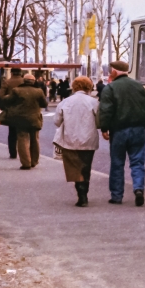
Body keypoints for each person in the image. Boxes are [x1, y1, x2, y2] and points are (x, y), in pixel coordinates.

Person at [99, 61, 145, 206]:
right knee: (137, 161)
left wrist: (104, 128)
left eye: (111, 71)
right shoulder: (139, 86)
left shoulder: (110, 88)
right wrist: (143, 126)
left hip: (119, 131)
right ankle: (138, 189)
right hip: (139, 129)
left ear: (115, 71)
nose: (109, 73)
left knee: (117, 163)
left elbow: (106, 110)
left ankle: (117, 196)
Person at [54, 76, 101, 207]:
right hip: (89, 139)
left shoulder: (65, 102)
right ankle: (85, 191)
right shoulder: (94, 102)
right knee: (86, 167)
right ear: (89, 87)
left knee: (74, 168)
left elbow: (57, 121)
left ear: (74, 87)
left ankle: (81, 194)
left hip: (70, 139)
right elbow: (99, 122)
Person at [3, 73, 48, 169]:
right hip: (35, 119)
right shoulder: (39, 91)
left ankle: (26, 163)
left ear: (24, 81)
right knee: (34, 139)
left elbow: (8, 100)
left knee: (22, 139)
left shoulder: (17, 90)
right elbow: (44, 104)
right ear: (34, 81)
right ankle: (34, 161)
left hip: (21, 119)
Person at [0, 67, 25, 159]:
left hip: (11, 110)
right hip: (24, 110)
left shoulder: (7, 82)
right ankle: (25, 154)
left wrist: (4, 107)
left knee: (12, 133)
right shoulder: (24, 82)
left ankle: (13, 153)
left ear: (12, 73)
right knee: (23, 133)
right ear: (20, 73)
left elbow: (1, 96)